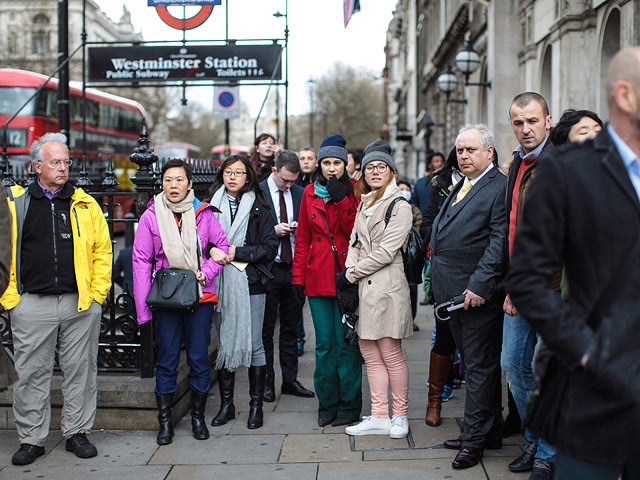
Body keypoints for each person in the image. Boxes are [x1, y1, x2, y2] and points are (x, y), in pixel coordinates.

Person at [507, 47, 640, 480]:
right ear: (626, 96)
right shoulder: (567, 171)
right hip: (598, 389)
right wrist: (583, 351)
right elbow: (527, 279)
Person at [1, 133, 112, 465]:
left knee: (80, 370)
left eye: (66, 162)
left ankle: (76, 432)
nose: (63, 168)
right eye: (56, 162)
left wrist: (96, 296)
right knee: (31, 373)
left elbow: (102, 251)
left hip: (80, 304)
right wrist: (11, 300)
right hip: (31, 303)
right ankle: (32, 439)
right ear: (37, 166)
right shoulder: (15, 203)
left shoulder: (85, 203)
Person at [132, 159, 229, 445]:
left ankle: (197, 418)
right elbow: (141, 262)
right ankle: (166, 423)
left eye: (179, 180)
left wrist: (206, 272)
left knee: (199, 357)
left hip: (200, 296)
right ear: (162, 184)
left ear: (189, 183)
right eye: (168, 180)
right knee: (168, 360)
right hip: (166, 299)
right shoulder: (151, 216)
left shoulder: (204, 214)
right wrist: (142, 310)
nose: (173, 186)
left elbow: (221, 248)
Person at [430, 125, 507, 470]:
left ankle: (473, 441)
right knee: (476, 364)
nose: (463, 156)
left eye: (471, 150)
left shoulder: (498, 188)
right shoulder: (463, 184)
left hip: (475, 295)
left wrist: (479, 286)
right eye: (460, 150)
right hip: (451, 294)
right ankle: (487, 432)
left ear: (489, 152)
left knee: (478, 367)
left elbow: (498, 243)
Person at [339, 140, 413, 438]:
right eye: (370, 167)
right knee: (369, 353)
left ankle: (400, 416)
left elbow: (386, 252)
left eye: (381, 167)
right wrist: (349, 271)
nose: (375, 171)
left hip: (387, 289)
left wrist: (349, 274)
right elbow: (354, 244)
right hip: (364, 291)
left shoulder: (400, 205)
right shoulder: (365, 203)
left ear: (391, 171)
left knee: (390, 352)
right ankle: (380, 415)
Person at [502, 92, 556, 480]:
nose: (525, 129)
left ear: (548, 121)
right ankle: (536, 438)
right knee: (514, 365)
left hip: (553, 287)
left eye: (532, 121)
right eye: (518, 123)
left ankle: (549, 453)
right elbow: (512, 230)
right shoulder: (517, 166)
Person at [291, 134, 362, 427]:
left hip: (348, 276)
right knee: (324, 346)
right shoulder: (309, 193)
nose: (332, 168)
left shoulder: (355, 191)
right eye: (327, 163)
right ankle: (327, 404)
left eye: (337, 163)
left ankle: (349, 406)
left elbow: (354, 231)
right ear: (319, 165)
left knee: (347, 345)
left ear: (345, 164)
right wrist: (298, 278)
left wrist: (341, 198)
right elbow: (304, 239)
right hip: (318, 278)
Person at [206, 154, 278, 430]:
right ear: (222, 175)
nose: (233, 177)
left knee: (254, 344)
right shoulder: (210, 206)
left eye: (238, 172)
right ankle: (227, 406)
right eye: (228, 172)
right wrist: (213, 250)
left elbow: (270, 248)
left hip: (251, 282)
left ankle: (255, 406)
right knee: (225, 342)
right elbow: (201, 241)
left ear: (248, 177)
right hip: (219, 282)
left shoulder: (260, 207)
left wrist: (237, 252)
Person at [260, 151, 315, 402]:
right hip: (268, 270)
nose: (289, 185)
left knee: (291, 329)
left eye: (293, 180)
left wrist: (296, 228)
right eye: (285, 180)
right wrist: (273, 231)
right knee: (266, 330)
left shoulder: (301, 193)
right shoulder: (258, 193)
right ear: (275, 170)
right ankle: (267, 382)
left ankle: (290, 380)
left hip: (293, 269)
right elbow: (250, 232)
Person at [295, 147, 318, 355]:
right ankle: (299, 336)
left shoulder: (319, 185)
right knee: (297, 299)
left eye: (310, 158)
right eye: (302, 158)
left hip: (319, 250)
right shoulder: (296, 184)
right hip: (299, 243)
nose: (306, 161)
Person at [397, 179, 423, 332]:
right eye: (401, 188)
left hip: (411, 257)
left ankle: (410, 319)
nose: (404, 191)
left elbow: (417, 230)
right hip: (396, 255)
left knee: (411, 289)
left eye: (406, 189)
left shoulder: (414, 210)